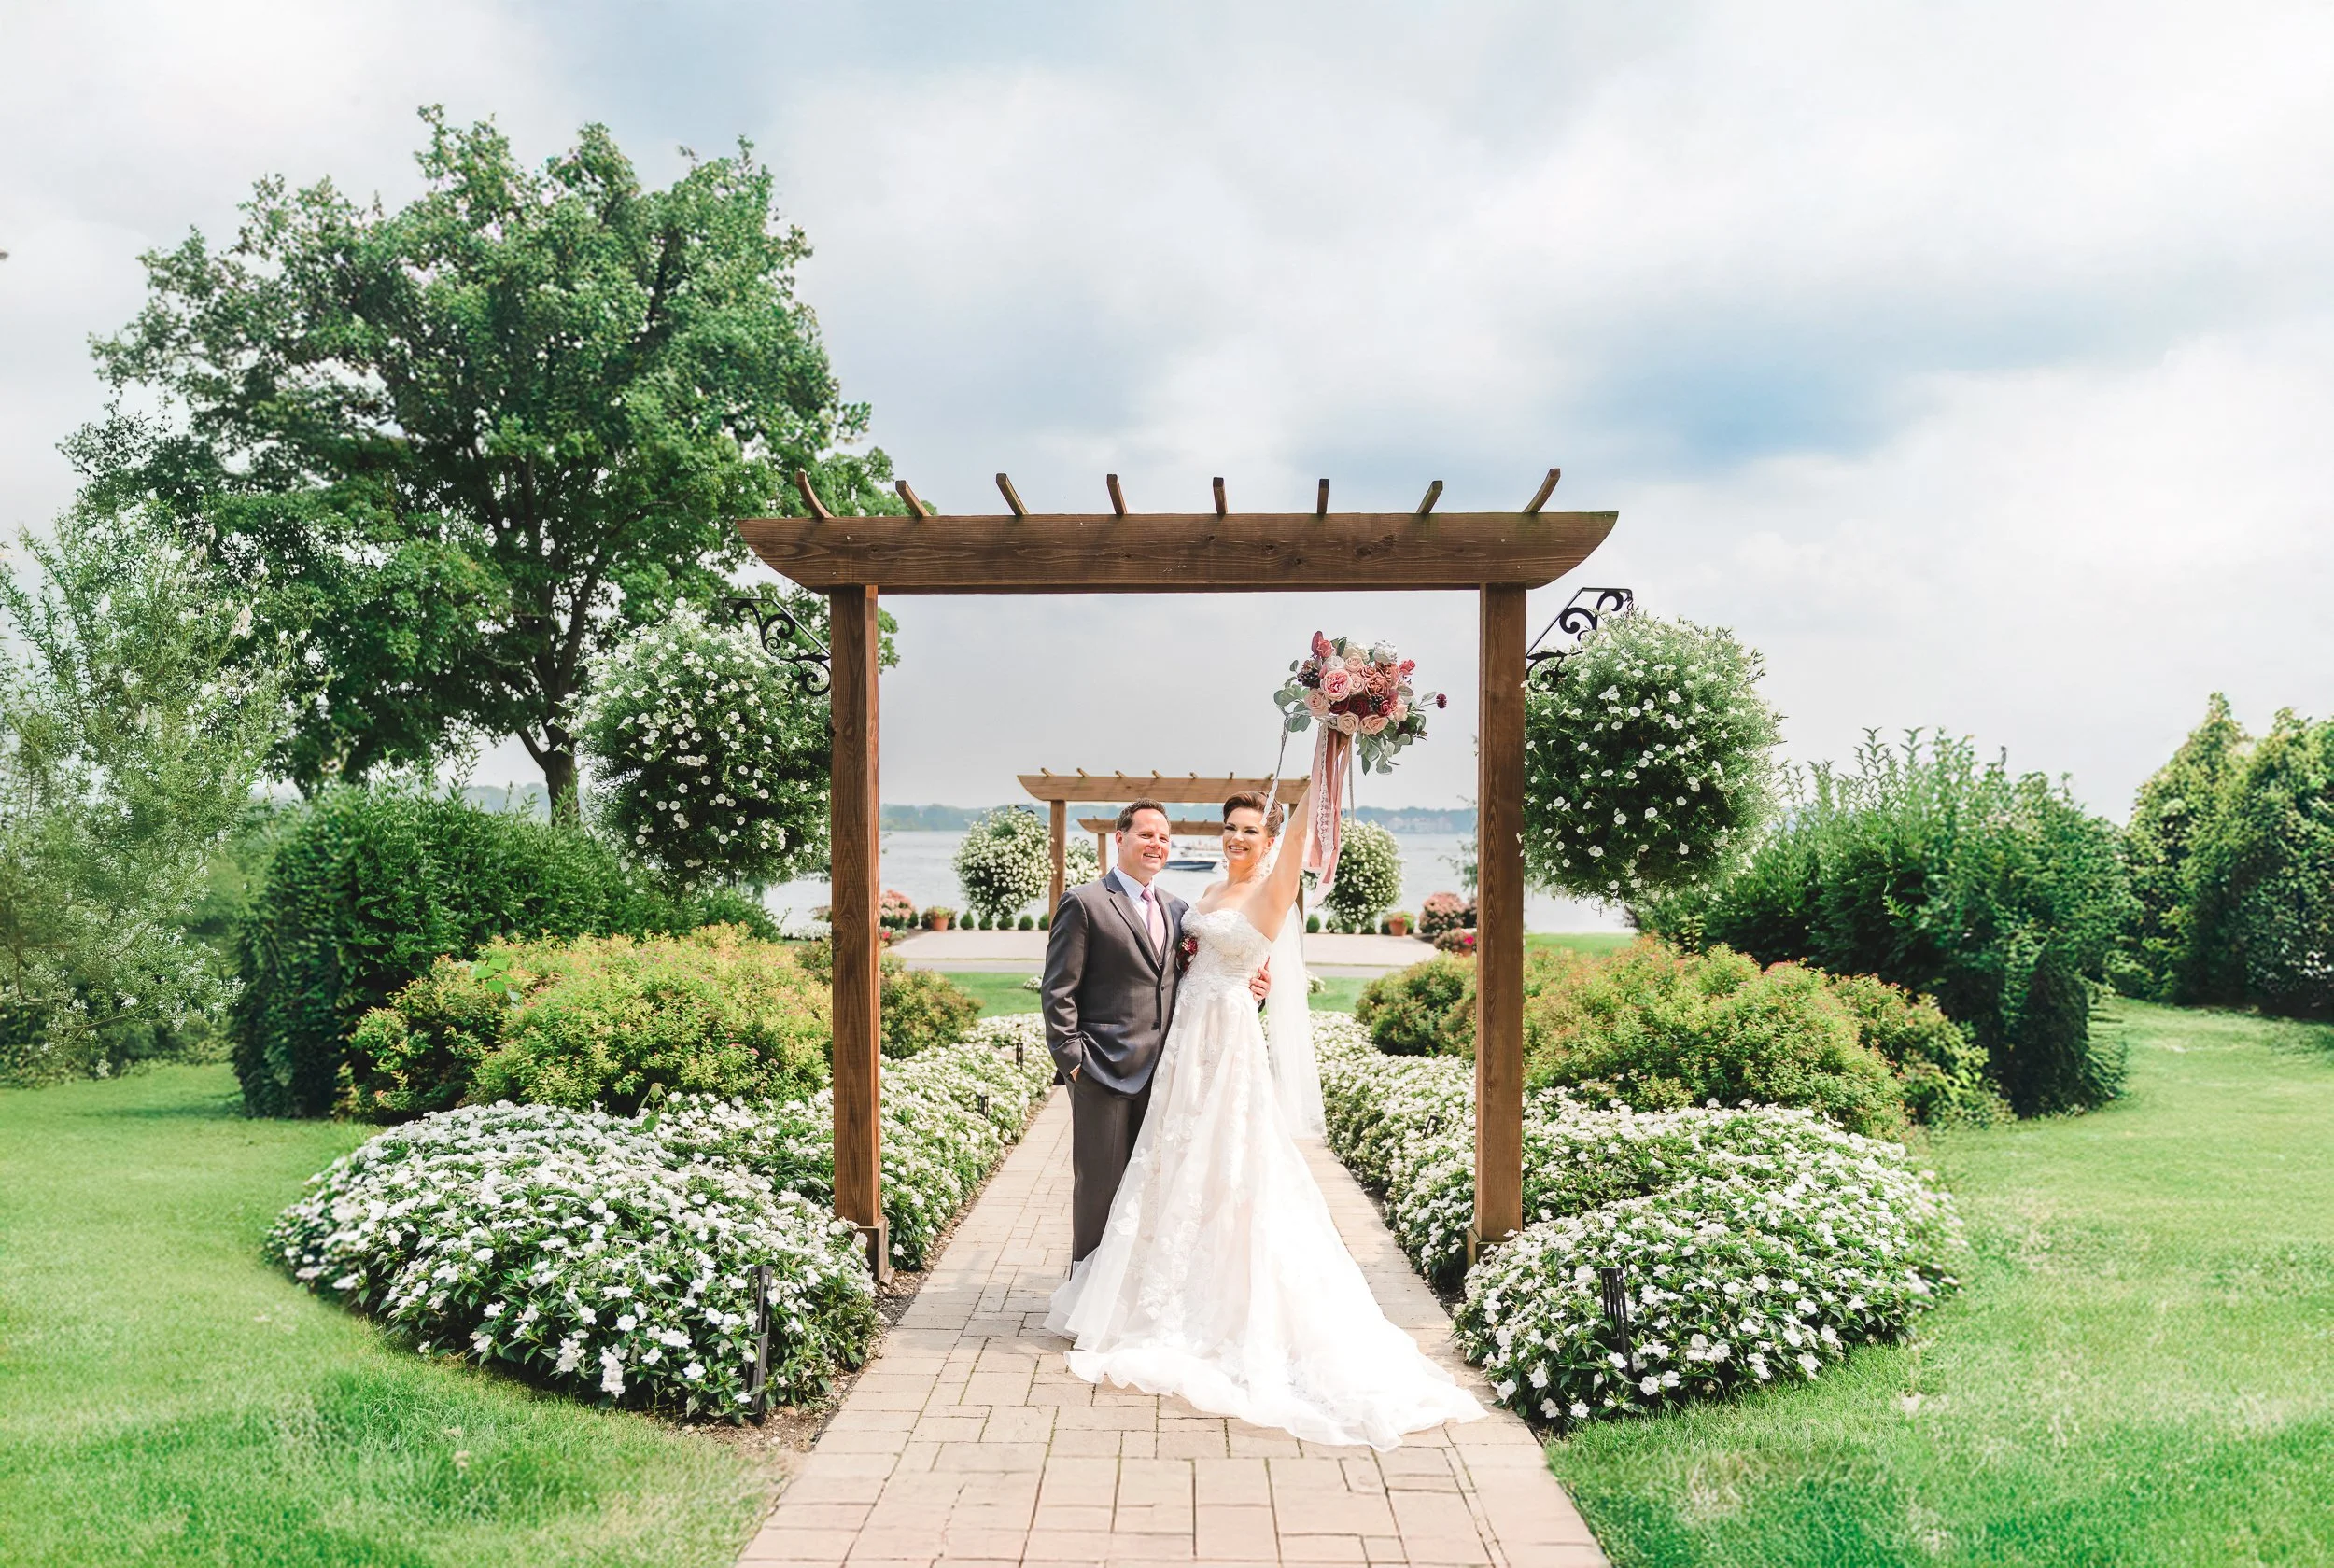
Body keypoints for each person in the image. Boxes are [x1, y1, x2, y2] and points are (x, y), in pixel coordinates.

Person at [1044, 789, 1485, 1449]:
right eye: (1231, 828)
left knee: (1230, 1166)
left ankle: (1220, 1297)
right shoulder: (1199, 893)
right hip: (1177, 1051)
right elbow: (1168, 962)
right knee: (1168, 1166)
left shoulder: (1274, 883)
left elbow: (1290, 850)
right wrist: (1076, 1061)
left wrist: (1325, 743)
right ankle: (1131, 1279)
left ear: (1271, 838)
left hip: (1224, 1047)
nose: (1237, 838)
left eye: (1251, 830)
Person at [1040, 798, 1268, 1263]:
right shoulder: (1084, 903)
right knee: (1099, 1186)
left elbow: (1197, 978)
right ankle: (1083, 1292)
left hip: (1168, 1073)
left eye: (1163, 838)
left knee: (1150, 1190)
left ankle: (1124, 1294)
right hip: (1101, 1071)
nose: (1156, 845)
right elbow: (1057, 989)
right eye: (1146, 835)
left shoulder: (1177, 908)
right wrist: (1073, 1063)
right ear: (1119, 838)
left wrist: (1257, 991)